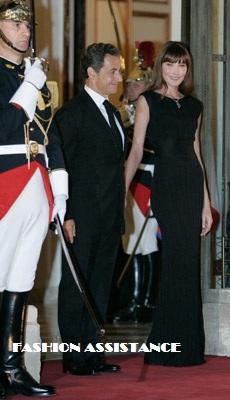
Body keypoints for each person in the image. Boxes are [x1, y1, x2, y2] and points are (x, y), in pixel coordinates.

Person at [125, 41, 213, 366]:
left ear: (188, 70)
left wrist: (205, 203)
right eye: (171, 64)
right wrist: (123, 187)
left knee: (188, 263)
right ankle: (167, 343)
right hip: (166, 186)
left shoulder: (195, 106)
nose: (176, 71)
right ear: (161, 65)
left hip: (191, 186)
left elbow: (197, 154)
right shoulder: (148, 101)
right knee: (176, 259)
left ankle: (186, 346)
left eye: (182, 65)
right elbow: (136, 149)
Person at [0, 0, 68, 397]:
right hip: (5, 184)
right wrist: (30, 85)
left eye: (29, 25)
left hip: (36, 187)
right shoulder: (28, 79)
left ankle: (12, 368)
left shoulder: (36, 75)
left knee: (20, 281)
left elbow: (51, 137)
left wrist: (59, 191)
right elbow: (7, 124)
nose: (26, 32)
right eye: (16, 24)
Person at [52, 43, 126, 375]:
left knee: (99, 284)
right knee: (76, 285)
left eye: (120, 70)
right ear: (92, 73)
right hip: (80, 216)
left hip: (109, 215)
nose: (119, 76)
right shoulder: (71, 113)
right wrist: (65, 213)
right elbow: (59, 165)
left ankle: (93, 353)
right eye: (113, 70)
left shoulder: (112, 112)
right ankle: (73, 357)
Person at [113, 41, 159, 323]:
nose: (129, 88)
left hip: (150, 179)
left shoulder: (153, 108)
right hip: (131, 180)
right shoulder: (123, 111)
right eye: (127, 83)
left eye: (134, 83)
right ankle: (134, 299)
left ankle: (147, 302)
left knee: (148, 244)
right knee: (133, 244)